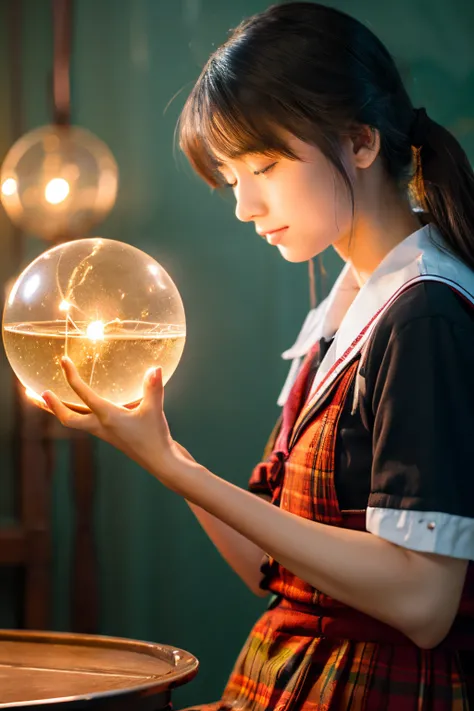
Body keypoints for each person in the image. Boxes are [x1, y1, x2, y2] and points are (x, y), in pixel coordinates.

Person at [38, 3, 474, 709]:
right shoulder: (341, 317)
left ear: (361, 141)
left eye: (264, 165)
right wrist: (166, 456)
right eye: (232, 175)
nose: (244, 205)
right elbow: (272, 568)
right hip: (284, 683)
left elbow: (424, 602)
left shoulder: (424, 313)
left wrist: (174, 466)